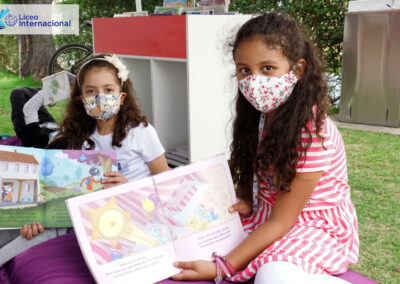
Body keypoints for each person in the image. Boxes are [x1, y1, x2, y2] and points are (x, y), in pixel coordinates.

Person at [171, 13, 359, 284]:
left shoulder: (311, 132)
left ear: (297, 70)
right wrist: (247, 195)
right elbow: (257, 171)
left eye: (268, 68)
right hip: (267, 214)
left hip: (312, 226)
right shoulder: (260, 114)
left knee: (272, 273)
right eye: (245, 70)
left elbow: (282, 222)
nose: (254, 80)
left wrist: (222, 267)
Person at [0, 53, 169, 264]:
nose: (100, 97)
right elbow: (61, 188)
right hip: (77, 209)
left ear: (121, 95)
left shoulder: (140, 132)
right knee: (19, 223)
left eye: (108, 90)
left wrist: (128, 186)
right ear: (81, 98)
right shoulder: (79, 136)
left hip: (121, 212)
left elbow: (166, 181)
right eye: (91, 91)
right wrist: (36, 215)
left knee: (52, 230)